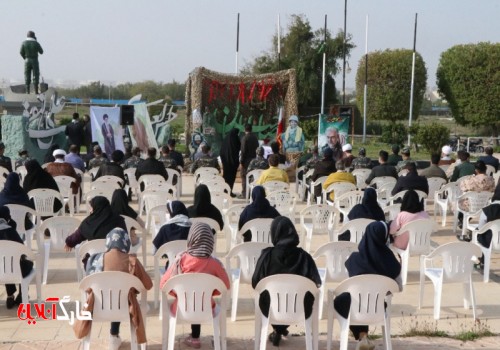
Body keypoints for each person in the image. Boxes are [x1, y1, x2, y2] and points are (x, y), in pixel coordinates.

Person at [252, 216, 321, 347]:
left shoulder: (267, 255)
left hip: (271, 308)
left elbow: (255, 282)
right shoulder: (305, 257)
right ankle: (279, 329)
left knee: (266, 296)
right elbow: (316, 283)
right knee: (301, 297)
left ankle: (278, 329)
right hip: (300, 309)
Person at [160, 222, 230, 349]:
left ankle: (193, 338)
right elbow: (225, 285)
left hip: (181, 309)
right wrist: (209, 293)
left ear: (191, 239)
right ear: (210, 241)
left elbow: (163, 284)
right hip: (207, 308)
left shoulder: (180, 260)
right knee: (199, 300)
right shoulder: (214, 264)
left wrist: (178, 293)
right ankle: (195, 337)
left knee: (191, 299)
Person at [334, 221, 401, 350]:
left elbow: (348, 284)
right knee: (364, 300)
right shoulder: (391, 261)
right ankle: (363, 336)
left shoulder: (354, 259)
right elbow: (398, 288)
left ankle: (362, 335)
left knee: (342, 300)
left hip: (356, 308)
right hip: (379, 308)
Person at [83, 228, 153, 349]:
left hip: (97, 308)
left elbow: (87, 287)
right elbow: (148, 285)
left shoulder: (95, 259)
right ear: (126, 242)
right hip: (125, 308)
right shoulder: (132, 261)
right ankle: (115, 335)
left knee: (114, 294)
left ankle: (113, 338)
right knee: (123, 296)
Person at [0, 206, 34, 309]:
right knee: (22, 262)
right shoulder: (10, 231)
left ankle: (10, 295)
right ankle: (22, 294)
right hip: (14, 270)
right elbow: (22, 250)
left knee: (4, 262)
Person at [474, 182, 500, 270]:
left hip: (491, 243)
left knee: (478, 232)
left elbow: (481, 228)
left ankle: (481, 260)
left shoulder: (487, 210)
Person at [239, 124, 259, 198]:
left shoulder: (245, 138)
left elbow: (243, 151)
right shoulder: (255, 138)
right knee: (252, 177)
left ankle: (245, 194)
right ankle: (251, 193)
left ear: (245, 130)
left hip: (246, 161)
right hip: (253, 161)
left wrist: (241, 162)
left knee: (244, 176)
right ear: (251, 129)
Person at [220, 128, 241, 197]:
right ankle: (229, 191)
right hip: (233, 163)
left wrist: (224, 161)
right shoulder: (236, 139)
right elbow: (239, 148)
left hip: (226, 163)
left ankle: (224, 190)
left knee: (225, 177)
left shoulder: (225, 140)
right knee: (231, 178)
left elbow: (221, 152)